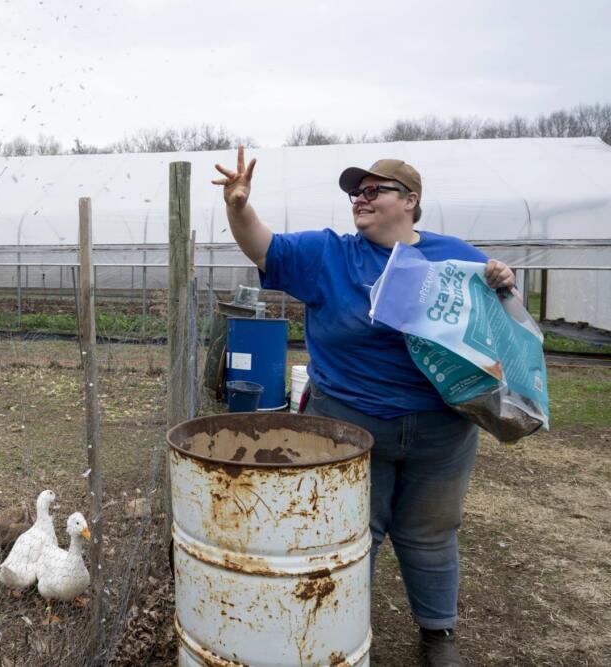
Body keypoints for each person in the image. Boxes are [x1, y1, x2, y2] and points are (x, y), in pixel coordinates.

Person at [213, 147, 515, 667]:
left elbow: (494, 320)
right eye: (357, 192)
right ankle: (346, 631)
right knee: (352, 537)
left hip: (440, 431)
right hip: (348, 425)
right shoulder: (329, 255)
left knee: (431, 534)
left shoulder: (455, 255)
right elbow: (262, 246)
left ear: (410, 201)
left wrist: (504, 284)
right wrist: (238, 207)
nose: (361, 198)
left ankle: (438, 636)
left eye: (375, 190)